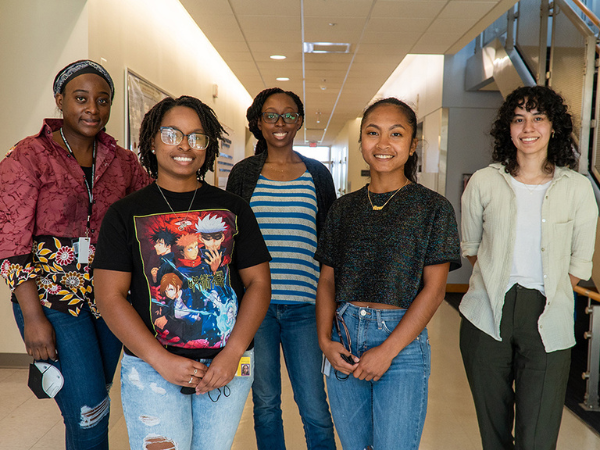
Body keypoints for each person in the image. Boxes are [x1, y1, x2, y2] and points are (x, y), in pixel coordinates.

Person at [92, 95, 272, 450]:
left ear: (208, 147)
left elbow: (259, 283)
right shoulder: (124, 213)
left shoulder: (233, 209)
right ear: (152, 141)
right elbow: (110, 297)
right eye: (172, 134)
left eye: (196, 137)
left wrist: (233, 352)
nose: (185, 146)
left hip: (227, 363)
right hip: (150, 365)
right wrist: (160, 359)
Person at [0, 60, 151, 449]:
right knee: (89, 411)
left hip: (109, 299)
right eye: (81, 98)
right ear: (60, 100)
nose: (93, 109)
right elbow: (11, 243)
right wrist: (33, 317)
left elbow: (150, 211)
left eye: (103, 100)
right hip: (51, 299)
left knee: (94, 401)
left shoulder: (123, 161)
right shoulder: (29, 156)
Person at [315, 98, 461, 450]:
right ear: (361, 142)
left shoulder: (433, 208)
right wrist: (324, 341)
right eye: (372, 133)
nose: (383, 143)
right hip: (344, 337)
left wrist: (388, 350)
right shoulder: (343, 208)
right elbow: (327, 280)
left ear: (412, 145)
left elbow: (435, 291)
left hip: (401, 341)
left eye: (396, 134)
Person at [459, 85, 599, 450]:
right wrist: (500, 278)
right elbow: (472, 248)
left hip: (548, 316)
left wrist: (545, 287)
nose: (528, 128)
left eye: (538, 118)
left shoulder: (577, 188)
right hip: (486, 314)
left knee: (537, 437)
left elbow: (579, 263)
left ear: (553, 127)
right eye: (519, 119)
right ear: (508, 128)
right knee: (493, 435)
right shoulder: (484, 181)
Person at [226, 87, 337, 449]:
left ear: (299, 121)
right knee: (266, 403)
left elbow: (330, 241)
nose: (280, 122)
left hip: (306, 308)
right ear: (258, 122)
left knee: (314, 405)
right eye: (271, 115)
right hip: (255, 309)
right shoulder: (244, 174)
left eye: (289, 115)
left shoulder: (317, 175)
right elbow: (231, 242)